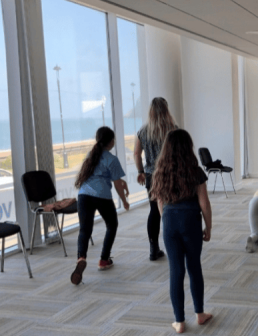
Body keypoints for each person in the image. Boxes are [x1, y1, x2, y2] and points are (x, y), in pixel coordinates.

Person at [150, 129, 213, 333]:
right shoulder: (195, 171)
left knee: (175, 271)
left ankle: (179, 321)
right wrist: (208, 226)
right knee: (194, 267)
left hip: (169, 221)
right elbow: (204, 203)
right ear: (189, 147)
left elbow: (160, 203)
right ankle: (200, 314)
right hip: (191, 221)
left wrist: (167, 221)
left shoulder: (160, 171)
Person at [71, 127, 130, 285]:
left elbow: (107, 177)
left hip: (84, 195)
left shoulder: (91, 155)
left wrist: (120, 182)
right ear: (111, 142)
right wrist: (124, 201)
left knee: (85, 229)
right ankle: (104, 259)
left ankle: (81, 257)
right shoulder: (112, 159)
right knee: (112, 224)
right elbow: (117, 185)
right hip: (102, 196)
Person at [134, 97, 178, 261]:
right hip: (171, 174)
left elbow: (136, 153)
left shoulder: (143, 131)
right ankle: (174, 245)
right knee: (172, 208)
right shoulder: (173, 129)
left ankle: (154, 248)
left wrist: (140, 171)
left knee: (154, 211)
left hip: (152, 176)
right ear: (166, 110)